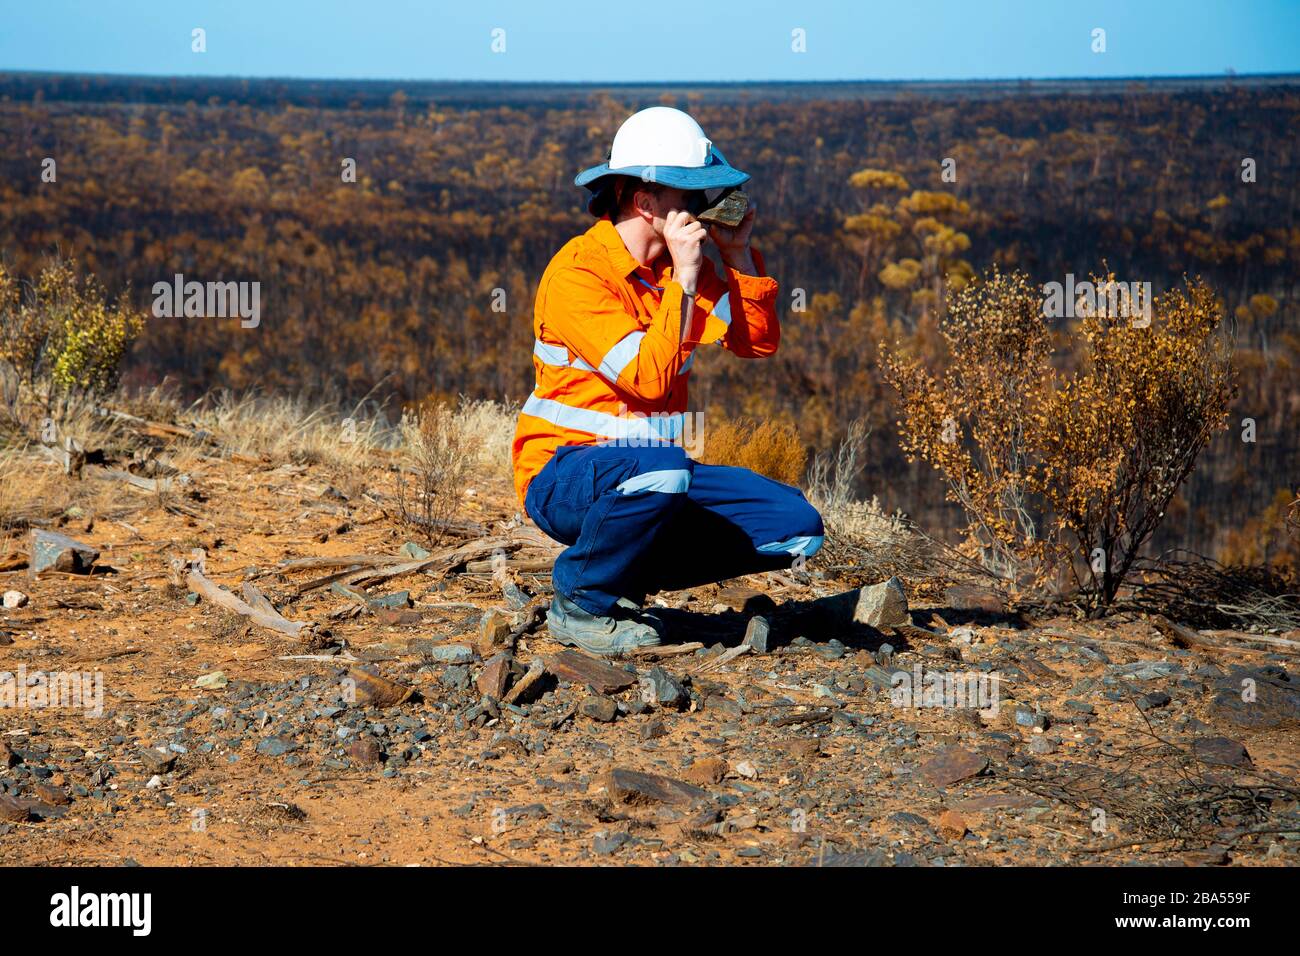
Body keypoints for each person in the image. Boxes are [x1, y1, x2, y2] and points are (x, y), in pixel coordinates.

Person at [511, 106, 823, 655]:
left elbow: (756, 343)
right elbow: (648, 382)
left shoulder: (680, 273)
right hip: (563, 475)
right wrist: (683, 279)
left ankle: (622, 576)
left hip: (650, 473)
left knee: (795, 526)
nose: (701, 210)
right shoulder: (579, 276)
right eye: (690, 196)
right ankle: (582, 597)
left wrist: (737, 255)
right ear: (646, 203)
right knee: (661, 472)